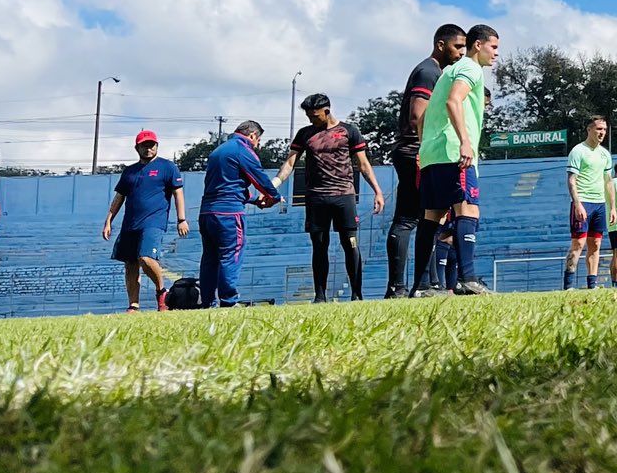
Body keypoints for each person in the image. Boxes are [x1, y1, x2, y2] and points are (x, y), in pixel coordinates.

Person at [274, 92, 388, 301]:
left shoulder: (349, 131)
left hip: (344, 196)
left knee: (350, 243)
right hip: (316, 198)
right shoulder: (304, 134)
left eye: (315, 116)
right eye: (308, 116)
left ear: (327, 111)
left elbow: (363, 164)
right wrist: (275, 183)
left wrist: (377, 191)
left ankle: (356, 294)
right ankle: (320, 296)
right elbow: (290, 163)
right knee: (319, 246)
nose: (311, 120)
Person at [416, 22, 501, 293]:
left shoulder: (448, 71)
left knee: (433, 216)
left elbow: (425, 115)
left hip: (433, 153)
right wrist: (465, 141)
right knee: (468, 209)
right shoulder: (470, 68)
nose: (496, 53)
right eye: (494, 47)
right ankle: (469, 278)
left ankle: (420, 286)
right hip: (455, 152)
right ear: (479, 44)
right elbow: (454, 101)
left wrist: (424, 146)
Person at [386, 24, 466, 297]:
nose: (461, 52)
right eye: (457, 46)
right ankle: (401, 286)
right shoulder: (427, 71)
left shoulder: (438, 73)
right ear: (441, 45)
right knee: (410, 218)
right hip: (414, 151)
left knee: (428, 218)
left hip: (418, 151)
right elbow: (417, 115)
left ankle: (426, 284)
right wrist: (424, 152)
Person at [101, 129, 187, 312]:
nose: (148, 148)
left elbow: (178, 192)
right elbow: (119, 197)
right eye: (144, 145)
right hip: (130, 224)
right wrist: (109, 220)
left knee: (145, 257)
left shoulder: (167, 167)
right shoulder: (130, 172)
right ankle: (133, 304)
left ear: (157, 146)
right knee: (130, 264)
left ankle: (161, 292)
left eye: (151, 144)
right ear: (137, 148)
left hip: (153, 223)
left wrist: (182, 219)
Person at [198, 122, 281, 307]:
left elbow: (228, 186)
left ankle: (207, 303)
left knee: (209, 259)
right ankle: (229, 301)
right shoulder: (243, 150)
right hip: (229, 214)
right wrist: (274, 197)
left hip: (207, 212)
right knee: (231, 255)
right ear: (252, 135)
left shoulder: (217, 152)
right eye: (258, 140)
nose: (257, 145)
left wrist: (252, 200)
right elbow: (260, 178)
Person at [564, 117, 616, 290]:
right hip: (583, 202)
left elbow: (608, 182)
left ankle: (592, 285)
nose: (602, 133)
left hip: (600, 203)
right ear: (589, 130)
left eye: (604, 129)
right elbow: (571, 180)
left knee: (596, 245)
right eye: (599, 129)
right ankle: (568, 285)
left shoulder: (605, 154)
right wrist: (577, 203)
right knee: (578, 243)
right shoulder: (578, 151)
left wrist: (612, 207)